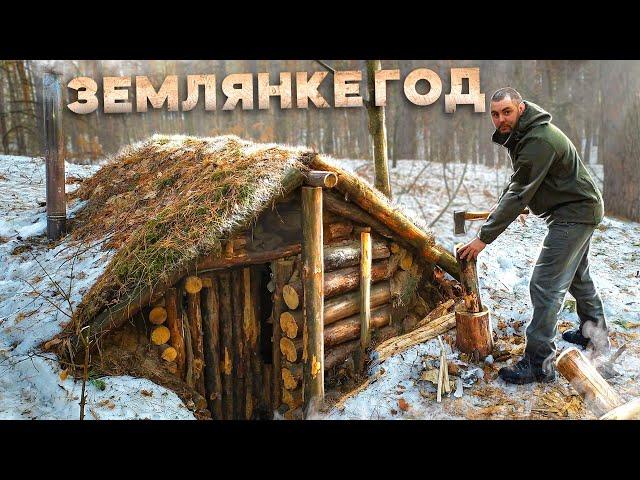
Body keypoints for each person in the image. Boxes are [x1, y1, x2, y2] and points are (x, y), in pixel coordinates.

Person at [457, 87, 609, 384]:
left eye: (507, 112)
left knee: (544, 285)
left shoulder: (537, 140)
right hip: (578, 209)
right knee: (579, 278)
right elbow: (519, 183)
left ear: (521, 109)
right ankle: (595, 338)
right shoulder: (526, 135)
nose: (501, 119)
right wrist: (500, 208)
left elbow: (518, 193)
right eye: (495, 114)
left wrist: (483, 238)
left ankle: (539, 363)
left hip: (574, 214)